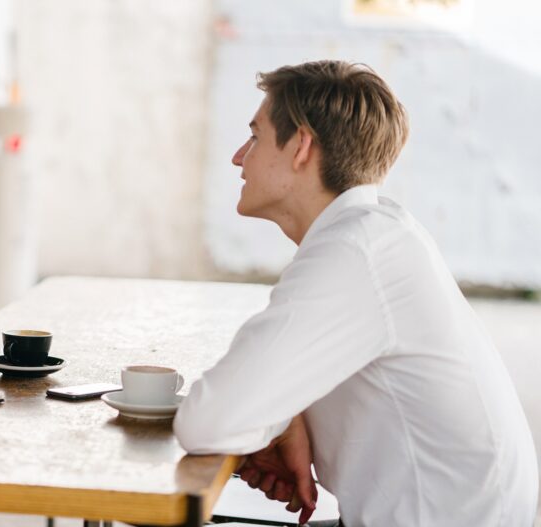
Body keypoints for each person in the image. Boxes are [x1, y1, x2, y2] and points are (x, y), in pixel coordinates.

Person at [173, 60, 538, 526]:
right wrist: (287, 419)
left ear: (301, 146)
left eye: (256, 137)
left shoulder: (353, 252)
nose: (239, 156)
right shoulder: (375, 234)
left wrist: (272, 419)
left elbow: (206, 422)